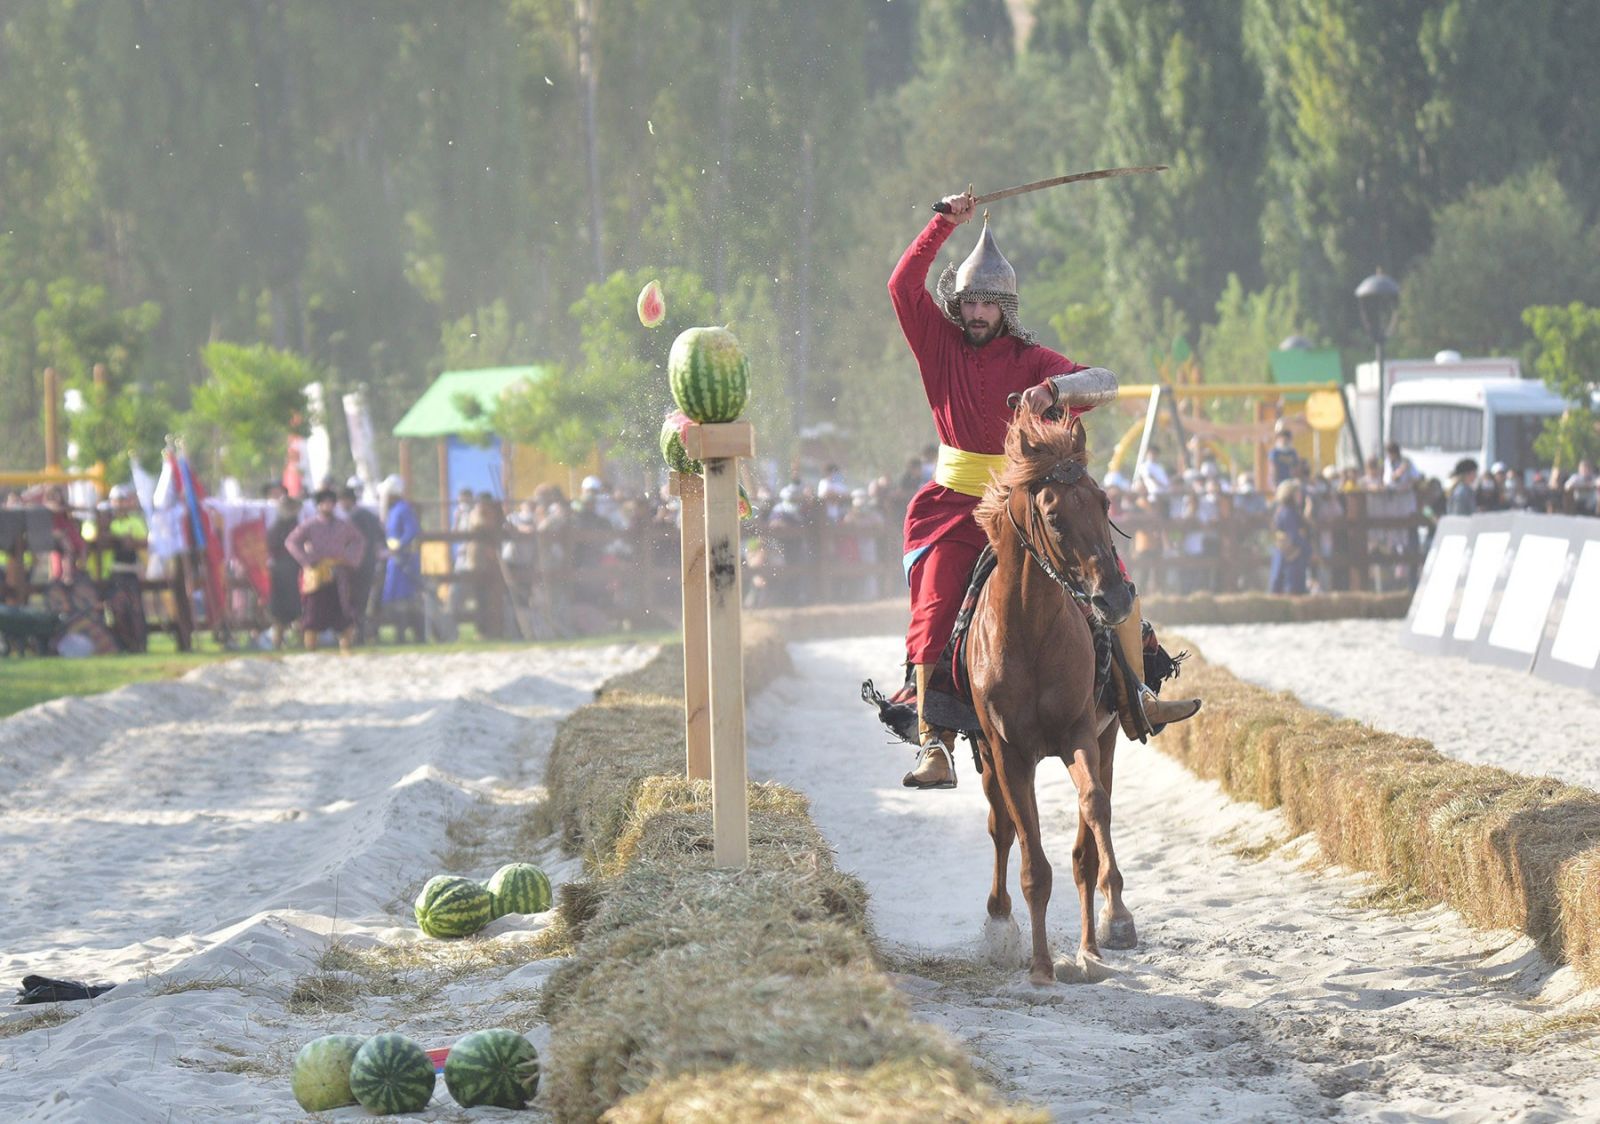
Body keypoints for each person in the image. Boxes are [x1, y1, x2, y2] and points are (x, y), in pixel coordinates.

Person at [888, 190, 1199, 789]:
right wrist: (939, 225)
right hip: (954, 507)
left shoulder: (1033, 359)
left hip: (1025, 503)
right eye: (969, 301)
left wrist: (1053, 393)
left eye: (987, 302)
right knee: (933, 600)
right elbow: (902, 287)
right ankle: (934, 742)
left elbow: (1103, 381)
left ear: (1004, 307)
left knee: (1110, 572)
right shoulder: (937, 344)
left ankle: (1137, 695)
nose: (976, 312)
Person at [284, 487, 365, 652]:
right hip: (317, 575)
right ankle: (311, 650)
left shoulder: (343, 525)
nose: (327, 506)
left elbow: (359, 541)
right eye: (324, 503)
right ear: (318, 505)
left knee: (344, 614)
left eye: (330, 503)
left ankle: (345, 648)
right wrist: (307, 560)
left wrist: (348, 559)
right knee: (313, 615)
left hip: (338, 575)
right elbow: (291, 542)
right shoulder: (310, 525)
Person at [100, 484, 149, 652]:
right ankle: (123, 644)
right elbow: (98, 536)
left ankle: (139, 644)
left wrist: (131, 541)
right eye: (117, 501)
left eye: (123, 500)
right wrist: (118, 538)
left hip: (131, 571)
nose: (120, 504)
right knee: (117, 609)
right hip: (113, 573)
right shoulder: (106, 521)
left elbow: (143, 541)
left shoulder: (134, 521)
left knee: (135, 610)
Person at [338, 486, 386, 644]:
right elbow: (382, 536)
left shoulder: (352, 517)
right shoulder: (370, 515)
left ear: (346, 500)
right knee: (364, 600)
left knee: (353, 599)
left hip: (355, 563)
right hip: (370, 562)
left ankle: (356, 635)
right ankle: (364, 634)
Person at [379, 475, 424, 643]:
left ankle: (411, 635)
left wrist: (399, 546)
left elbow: (412, 530)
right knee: (397, 599)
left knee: (406, 599)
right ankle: (402, 635)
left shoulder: (403, 509)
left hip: (403, 560)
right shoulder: (394, 510)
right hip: (395, 560)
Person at [265, 496, 303, 649]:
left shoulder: (297, 525)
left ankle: (301, 640)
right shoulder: (276, 527)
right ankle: (278, 641)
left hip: (295, 569)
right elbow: (271, 546)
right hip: (280, 570)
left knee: (297, 607)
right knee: (279, 610)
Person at [1269, 480, 1310, 594]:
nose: (1300, 496)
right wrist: (1307, 549)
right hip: (1291, 557)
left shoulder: (1283, 510)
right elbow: (1294, 536)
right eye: (1297, 493)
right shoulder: (1288, 512)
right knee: (1291, 589)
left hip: (1285, 555)